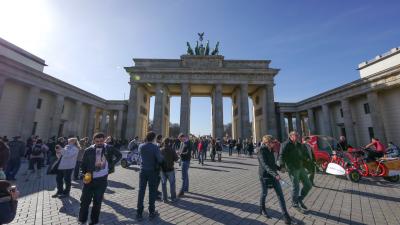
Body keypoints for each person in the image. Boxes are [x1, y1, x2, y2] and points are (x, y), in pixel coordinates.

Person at [78, 132, 122, 225]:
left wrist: (111, 164)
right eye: (97, 141)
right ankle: (82, 220)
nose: (99, 143)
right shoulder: (88, 150)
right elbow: (83, 165)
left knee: (97, 203)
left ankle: (94, 222)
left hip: (102, 180)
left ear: (104, 139)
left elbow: (119, 155)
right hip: (89, 178)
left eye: (101, 141)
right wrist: (83, 175)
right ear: (94, 141)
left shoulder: (109, 148)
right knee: (84, 202)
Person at [258, 135, 293, 224]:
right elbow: (265, 165)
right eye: (272, 142)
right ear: (267, 143)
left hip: (274, 175)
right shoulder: (261, 151)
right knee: (264, 193)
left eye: (274, 142)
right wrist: (275, 174)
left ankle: (286, 216)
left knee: (280, 195)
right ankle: (262, 209)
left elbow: (272, 164)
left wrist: (279, 169)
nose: (274, 144)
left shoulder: (271, 150)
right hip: (264, 176)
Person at [278, 131, 312, 213]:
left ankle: (299, 199)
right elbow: (281, 155)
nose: (297, 136)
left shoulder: (299, 144)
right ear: (291, 136)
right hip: (292, 168)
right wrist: (282, 166)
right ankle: (294, 203)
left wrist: (308, 161)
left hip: (301, 167)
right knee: (296, 186)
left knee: (308, 185)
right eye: (296, 135)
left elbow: (304, 154)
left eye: (298, 135)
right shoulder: (285, 144)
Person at [136, 131, 163, 221]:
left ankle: (139, 213)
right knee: (152, 192)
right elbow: (160, 159)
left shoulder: (141, 146)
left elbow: (140, 156)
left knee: (141, 191)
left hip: (143, 171)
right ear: (154, 138)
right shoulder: (155, 147)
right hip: (152, 172)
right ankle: (151, 212)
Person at [160, 138, 178, 203]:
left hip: (162, 170)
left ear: (164, 142)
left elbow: (158, 160)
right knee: (172, 184)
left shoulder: (160, 150)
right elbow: (176, 159)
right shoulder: (172, 150)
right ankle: (173, 198)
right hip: (170, 169)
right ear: (169, 143)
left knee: (163, 184)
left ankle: (165, 199)